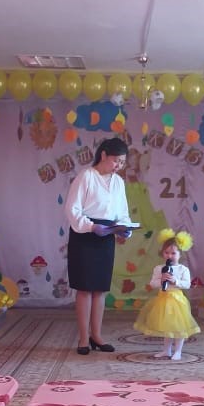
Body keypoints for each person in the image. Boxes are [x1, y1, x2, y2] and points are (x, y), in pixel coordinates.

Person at [64, 137, 131, 355]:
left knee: (100, 289)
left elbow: (122, 212)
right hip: (84, 235)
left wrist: (125, 228)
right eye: (116, 160)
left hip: (106, 236)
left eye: (122, 162)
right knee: (84, 288)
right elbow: (72, 210)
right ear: (103, 155)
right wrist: (91, 227)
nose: (119, 166)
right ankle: (84, 338)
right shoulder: (86, 176)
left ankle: (97, 336)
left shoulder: (118, 182)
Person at [134, 229, 200, 361]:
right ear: (162, 253)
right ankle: (166, 350)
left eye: (173, 253)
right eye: (166, 252)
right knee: (167, 326)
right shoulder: (159, 268)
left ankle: (178, 351)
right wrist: (161, 280)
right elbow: (152, 283)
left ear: (180, 254)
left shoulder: (183, 269)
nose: (169, 255)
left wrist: (175, 281)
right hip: (162, 300)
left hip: (177, 301)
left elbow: (187, 284)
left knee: (178, 327)